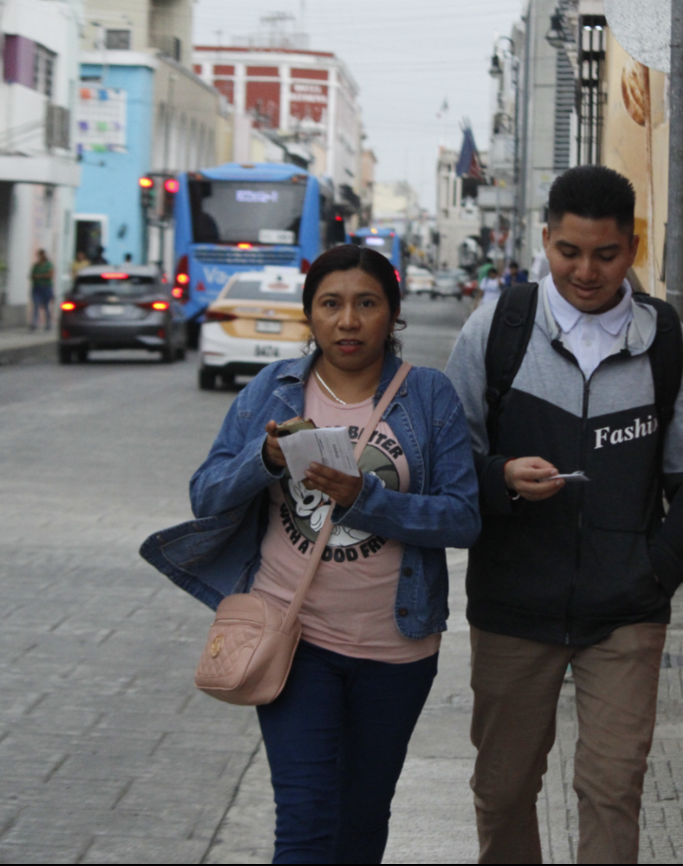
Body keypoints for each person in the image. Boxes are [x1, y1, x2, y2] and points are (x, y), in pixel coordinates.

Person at [142, 244, 481, 863]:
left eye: (366, 304)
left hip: (397, 645)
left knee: (361, 820)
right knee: (304, 820)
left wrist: (366, 499)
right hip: (295, 636)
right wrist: (264, 460)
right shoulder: (274, 391)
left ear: (393, 314)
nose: (348, 321)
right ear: (310, 316)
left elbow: (463, 518)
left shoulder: (430, 396)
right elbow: (205, 493)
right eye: (331, 304)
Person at [445, 165, 683, 864]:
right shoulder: (500, 328)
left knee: (611, 788)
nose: (585, 271)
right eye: (568, 251)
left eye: (604, 254)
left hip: (624, 612)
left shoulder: (665, 341)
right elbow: (447, 462)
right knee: (503, 788)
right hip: (513, 606)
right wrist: (502, 479)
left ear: (629, 248)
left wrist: (652, 574)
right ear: (544, 239)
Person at [29, 249, 54, 331]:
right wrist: (42, 275)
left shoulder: (49, 265)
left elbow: (50, 275)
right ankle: (34, 323)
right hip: (37, 288)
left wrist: (39, 275)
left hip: (46, 287)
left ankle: (48, 323)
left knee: (46, 306)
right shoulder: (36, 265)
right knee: (36, 305)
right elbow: (32, 276)